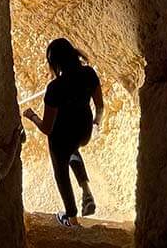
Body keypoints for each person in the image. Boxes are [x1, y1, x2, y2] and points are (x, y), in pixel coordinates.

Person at [22, 38, 104, 228]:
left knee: (60, 166)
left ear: (54, 63)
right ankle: (85, 188)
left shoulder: (55, 88)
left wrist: (32, 116)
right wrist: (97, 122)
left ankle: (71, 217)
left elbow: (47, 128)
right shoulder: (89, 74)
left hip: (63, 136)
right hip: (84, 130)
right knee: (73, 148)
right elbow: (99, 106)